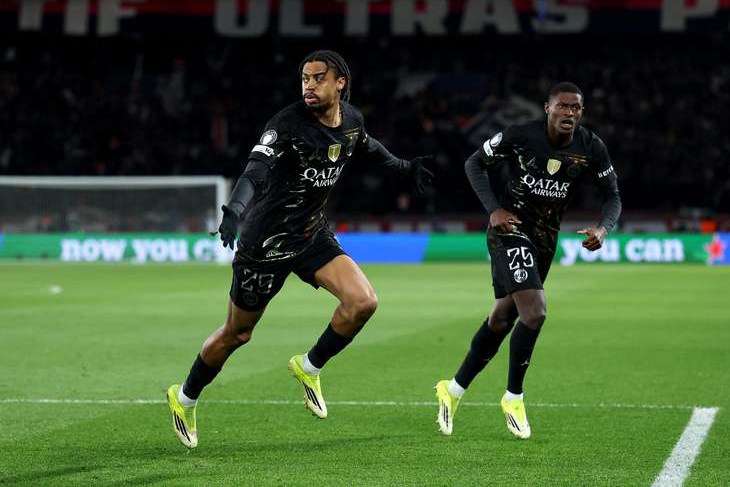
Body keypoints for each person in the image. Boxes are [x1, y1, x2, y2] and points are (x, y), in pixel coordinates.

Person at [165, 50, 433, 449]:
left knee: (363, 302)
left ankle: (309, 367)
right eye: (304, 79)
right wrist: (235, 210)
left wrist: (404, 168)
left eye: (317, 78)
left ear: (339, 82)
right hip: (265, 244)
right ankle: (184, 397)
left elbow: (368, 146)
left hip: (310, 235)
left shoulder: (352, 120)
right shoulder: (287, 125)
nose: (308, 85)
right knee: (237, 334)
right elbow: (255, 171)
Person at [435, 82, 621, 439]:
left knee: (503, 317)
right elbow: (474, 163)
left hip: (545, 239)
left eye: (576, 108)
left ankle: (453, 389)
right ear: (547, 108)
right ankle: (513, 397)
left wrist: (604, 228)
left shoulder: (591, 147)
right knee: (535, 312)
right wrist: (494, 209)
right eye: (563, 106)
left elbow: (612, 195)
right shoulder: (520, 136)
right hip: (509, 229)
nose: (570, 113)